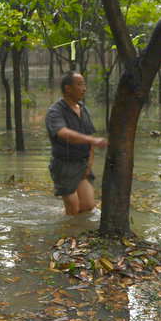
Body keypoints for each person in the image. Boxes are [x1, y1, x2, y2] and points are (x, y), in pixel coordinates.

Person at [45, 71, 107, 215]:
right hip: (64, 165)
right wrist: (92, 140)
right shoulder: (55, 111)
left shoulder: (84, 109)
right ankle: (68, 235)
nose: (84, 88)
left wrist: (90, 163)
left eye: (84, 84)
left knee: (88, 205)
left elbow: (89, 134)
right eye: (79, 84)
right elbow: (63, 133)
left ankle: (68, 222)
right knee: (73, 209)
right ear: (68, 88)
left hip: (82, 164)